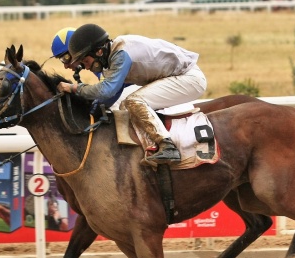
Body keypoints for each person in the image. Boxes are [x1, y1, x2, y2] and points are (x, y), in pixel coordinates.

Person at [56, 23, 207, 163]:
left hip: (188, 78)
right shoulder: (111, 58)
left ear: (99, 51)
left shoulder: (121, 54)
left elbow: (107, 90)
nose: (86, 67)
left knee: (134, 101)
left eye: (86, 61)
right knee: (125, 107)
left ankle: (168, 146)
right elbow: (108, 98)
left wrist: (75, 88)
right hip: (177, 76)